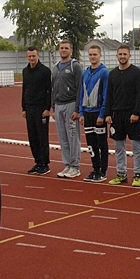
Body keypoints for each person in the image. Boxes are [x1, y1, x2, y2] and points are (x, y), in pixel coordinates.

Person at [105, 44, 140, 187]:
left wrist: (137, 113)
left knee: (136, 146)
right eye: (120, 54)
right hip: (117, 115)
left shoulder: (137, 73)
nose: (122, 56)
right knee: (118, 147)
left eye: (124, 54)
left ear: (129, 55)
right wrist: (108, 113)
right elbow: (109, 95)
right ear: (117, 56)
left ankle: (138, 174)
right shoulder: (112, 74)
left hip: (132, 115)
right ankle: (121, 173)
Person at [51, 39, 83, 178]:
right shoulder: (56, 67)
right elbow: (53, 88)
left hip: (70, 104)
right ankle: (67, 165)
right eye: (61, 48)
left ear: (71, 50)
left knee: (72, 136)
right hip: (58, 105)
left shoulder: (75, 66)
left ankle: (75, 166)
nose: (63, 50)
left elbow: (79, 88)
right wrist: (53, 106)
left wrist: (77, 109)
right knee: (62, 137)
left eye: (66, 48)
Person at [79, 44, 110, 182]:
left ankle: (103, 171)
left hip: (98, 114)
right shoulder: (84, 73)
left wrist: (102, 114)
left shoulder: (104, 73)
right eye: (90, 54)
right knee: (91, 144)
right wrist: (81, 113)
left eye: (95, 54)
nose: (92, 57)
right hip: (87, 113)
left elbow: (106, 95)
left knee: (101, 143)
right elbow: (81, 95)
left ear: (100, 55)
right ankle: (95, 168)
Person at [21, 46, 51, 175]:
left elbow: (49, 90)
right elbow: (24, 89)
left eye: (34, 56)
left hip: (41, 108)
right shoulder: (25, 71)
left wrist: (47, 108)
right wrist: (23, 108)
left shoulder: (45, 71)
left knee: (42, 136)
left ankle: (44, 163)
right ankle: (37, 161)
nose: (32, 58)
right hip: (29, 108)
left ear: (38, 55)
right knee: (32, 136)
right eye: (29, 56)